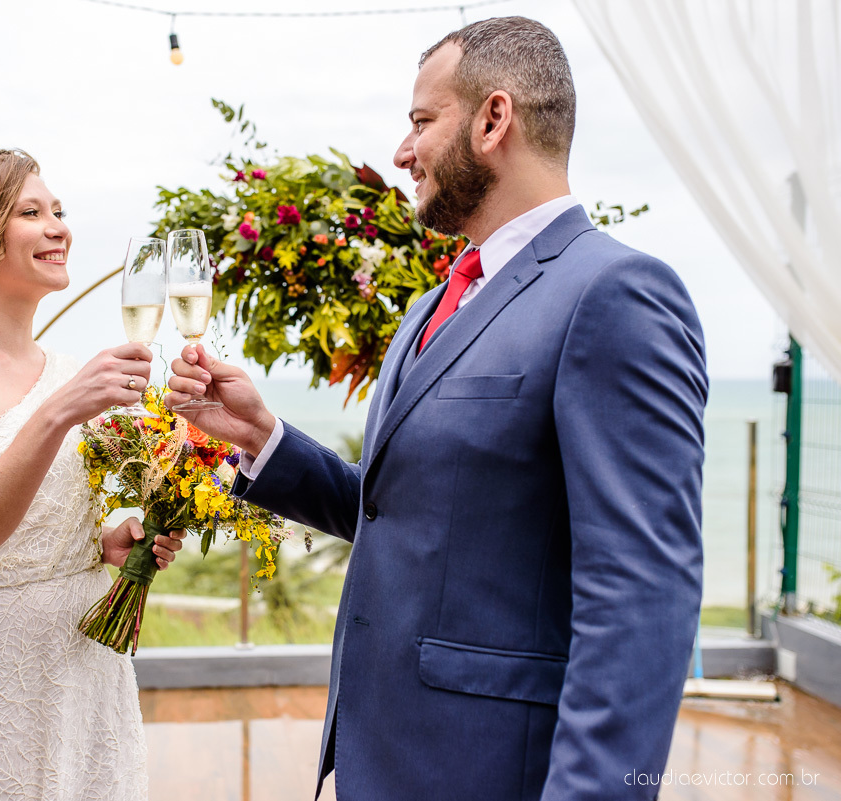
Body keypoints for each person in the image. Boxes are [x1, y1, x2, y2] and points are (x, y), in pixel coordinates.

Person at [166, 17, 707, 801]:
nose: (402, 151)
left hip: (488, 770)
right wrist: (264, 435)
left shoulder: (615, 294)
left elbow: (640, 595)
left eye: (422, 121)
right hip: (378, 760)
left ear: (493, 120)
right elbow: (406, 514)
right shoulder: (430, 306)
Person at [0, 148, 184, 800]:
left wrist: (101, 543)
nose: (58, 228)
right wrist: (60, 410)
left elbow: (38, 518)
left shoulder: (66, 369)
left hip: (88, 681)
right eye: (31, 213)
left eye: (59, 211)